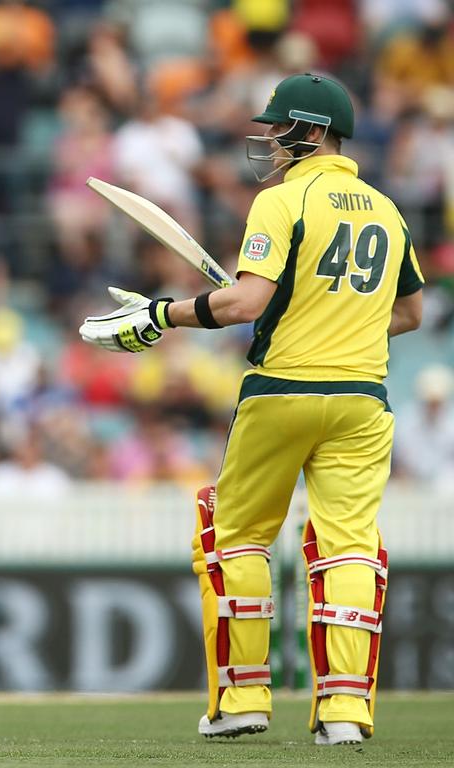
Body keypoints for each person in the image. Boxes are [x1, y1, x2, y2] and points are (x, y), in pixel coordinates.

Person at [79, 73, 424, 746]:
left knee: (234, 535)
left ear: (312, 132)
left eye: (277, 128)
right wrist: (336, 318)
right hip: (362, 399)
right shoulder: (388, 209)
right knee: (349, 547)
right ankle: (345, 716)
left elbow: (243, 304)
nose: (267, 139)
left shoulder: (282, 200)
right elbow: (409, 312)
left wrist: (161, 315)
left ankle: (241, 699)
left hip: (283, 391)